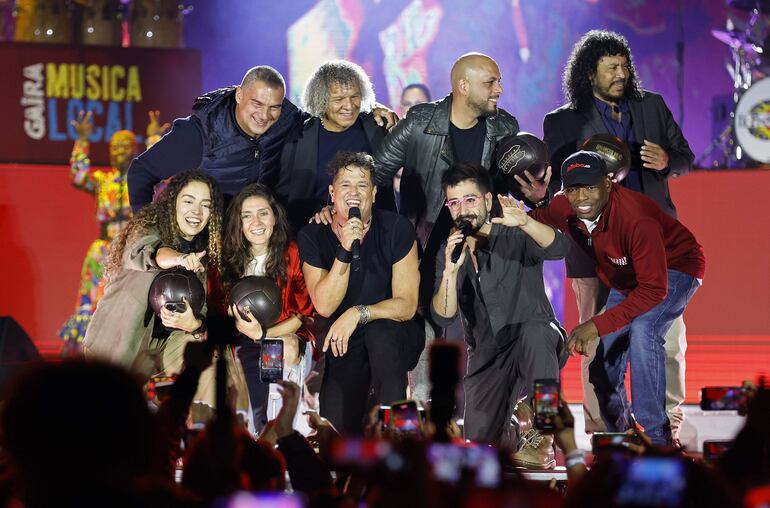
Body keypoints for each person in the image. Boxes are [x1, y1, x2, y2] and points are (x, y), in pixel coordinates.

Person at [540, 30, 695, 440]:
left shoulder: (652, 107)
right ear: (589, 74)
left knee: (665, 335)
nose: (622, 73)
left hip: (652, 241)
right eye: (612, 67)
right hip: (592, 248)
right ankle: (605, 425)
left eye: (625, 65)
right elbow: (560, 180)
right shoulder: (562, 121)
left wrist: (666, 160)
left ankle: (667, 421)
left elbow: (685, 158)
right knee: (595, 334)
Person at [373, 52, 521, 402]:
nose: (500, 89)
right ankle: (427, 413)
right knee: (425, 331)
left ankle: (473, 415)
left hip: (477, 251)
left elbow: (510, 189)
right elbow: (375, 173)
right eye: (491, 82)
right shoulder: (420, 122)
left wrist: (537, 195)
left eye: (498, 81)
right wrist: (390, 233)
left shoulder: (504, 127)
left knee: (474, 331)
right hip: (422, 248)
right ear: (463, 85)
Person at [530, 151, 705, 446]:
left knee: (643, 331)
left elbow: (653, 290)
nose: (582, 196)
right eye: (573, 189)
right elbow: (533, 219)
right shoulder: (566, 206)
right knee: (601, 364)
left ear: (609, 184)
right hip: (628, 278)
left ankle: (657, 438)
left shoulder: (636, 219)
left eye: (590, 187)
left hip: (676, 267)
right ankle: (622, 435)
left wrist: (595, 325)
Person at [430, 162, 568, 468]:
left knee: (535, 332)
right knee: (482, 444)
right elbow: (443, 316)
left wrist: (526, 223)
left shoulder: (515, 233)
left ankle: (545, 435)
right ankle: (520, 423)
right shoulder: (449, 251)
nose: (462, 210)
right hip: (489, 358)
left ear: (488, 200)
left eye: (470, 200)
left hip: (535, 343)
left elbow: (560, 248)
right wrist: (450, 273)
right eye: (454, 202)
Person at [83, 170, 249, 422]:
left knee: (214, 355)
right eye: (189, 201)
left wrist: (193, 324)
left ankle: (212, 436)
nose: (197, 211)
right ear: (173, 202)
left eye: (206, 205)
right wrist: (180, 259)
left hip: (168, 346)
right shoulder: (147, 228)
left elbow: (203, 310)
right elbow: (146, 252)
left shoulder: (205, 251)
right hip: (121, 344)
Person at [127, 65, 396, 211]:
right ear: (239, 95)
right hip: (204, 233)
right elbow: (140, 172)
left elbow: (325, 115)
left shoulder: (286, 119)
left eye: (274, 107)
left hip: (255, 233)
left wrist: (370, 110)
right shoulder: (200, 133)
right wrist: (148, 233)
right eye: (257, 103)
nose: (265, 115)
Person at [297, 151, 424, 436]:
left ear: (375, 193)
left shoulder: (396, 228)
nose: (354, 192)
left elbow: (407, 304)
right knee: (338, 432)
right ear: (332, 192)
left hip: (395, 331)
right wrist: (344, 248)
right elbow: (325, 306)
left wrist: (359, 313)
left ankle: (402, 436)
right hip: (345, 338)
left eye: (362, 185)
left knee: (381, 335)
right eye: (345, 185)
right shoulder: (312, 235)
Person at [58, 110, 168, 353]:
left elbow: (161, 175)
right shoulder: (102, 181)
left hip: (133, 251)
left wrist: (154, 141)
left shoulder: (143, 180)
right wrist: (82, 140)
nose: (118, 150)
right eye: (114, 146)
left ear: (134, 149)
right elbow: (77, 176)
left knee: (130, 303)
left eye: (124, 146)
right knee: (94, 301)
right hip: (103, 249)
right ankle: (89, 354)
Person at [221, 183, 316, 432]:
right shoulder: (228, 259)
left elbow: (301, 315)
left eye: (263, 213)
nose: (256, 221)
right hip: (243, 340)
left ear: (275, 217)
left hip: (281, 337)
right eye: (247, 215)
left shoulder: (292, 253)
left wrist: (263, 335)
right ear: (238, 223)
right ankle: (257, 426)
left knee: (281, 348)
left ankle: (285, 421)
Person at [276, 60, 393, 229]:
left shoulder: (375, 127)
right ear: (320, 100)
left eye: (354, 96)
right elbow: (287, 195)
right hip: (317, 234)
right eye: (338, 99)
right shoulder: (299, 138)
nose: (349, 106)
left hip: (375, 232)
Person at [394, 83, 432, 207]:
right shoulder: (390, 139)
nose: (412, 109)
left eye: (418, 104)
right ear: (400, 107)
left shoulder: (442, 139)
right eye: (407, 104)